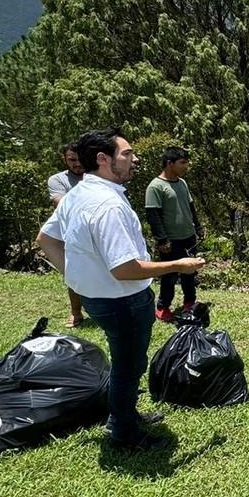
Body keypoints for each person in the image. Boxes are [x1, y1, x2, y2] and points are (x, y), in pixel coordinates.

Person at [36, 129, 204, 451]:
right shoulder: (107, 205)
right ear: (103, 159)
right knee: (129, 367)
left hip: (98, 298)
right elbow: (125, 269)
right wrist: (178, 265)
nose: (135, 159)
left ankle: (125, 415)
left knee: (126, 361)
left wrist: (76, 278)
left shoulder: (79, 194)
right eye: (127, 154)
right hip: (122, 300)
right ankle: (124, 434)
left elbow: (46, 239)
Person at [144, 146, 203, 323]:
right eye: (182, 162)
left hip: (188, 236)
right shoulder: (156, 187)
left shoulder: (182, 183)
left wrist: (198, 227)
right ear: (169, 163)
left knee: (189, 273)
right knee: (169, 276)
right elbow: (153, 215)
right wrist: (162, 239)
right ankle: (163, 307)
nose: (186, 166)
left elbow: (190, 207)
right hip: (170, 241)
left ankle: (189, 302)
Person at [47, 141, 86, 327]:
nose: (76, 163)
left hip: (97, 232)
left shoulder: (96, 176)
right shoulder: (57, 180)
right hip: (70, 234)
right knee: (73, 273)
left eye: (80, 159)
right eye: (72, 160)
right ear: (65, 159)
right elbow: (60, 202)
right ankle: (76, 312)